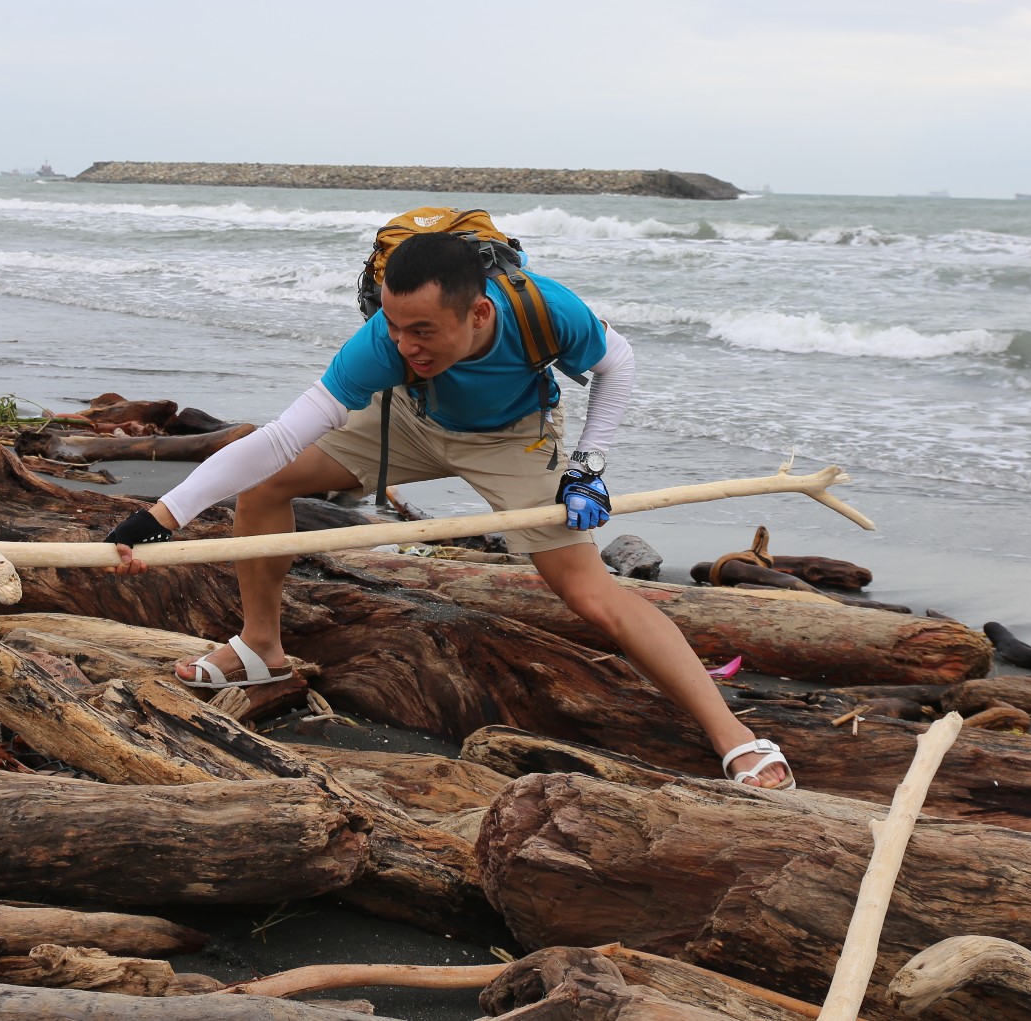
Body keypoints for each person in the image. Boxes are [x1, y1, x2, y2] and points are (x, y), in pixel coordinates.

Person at [104, 230, 794, 789]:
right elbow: (279, 437)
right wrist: (160, 518)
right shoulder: (386, 345)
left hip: (510, 437)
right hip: (406, 417)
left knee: (591, 595)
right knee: (267, 483)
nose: (406, 343)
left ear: (479, 313)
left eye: (424, 330)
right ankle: (261, 648)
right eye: (395, 325)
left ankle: (734, 736)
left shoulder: (544, 311)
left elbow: (621, 363)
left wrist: (589, 466)